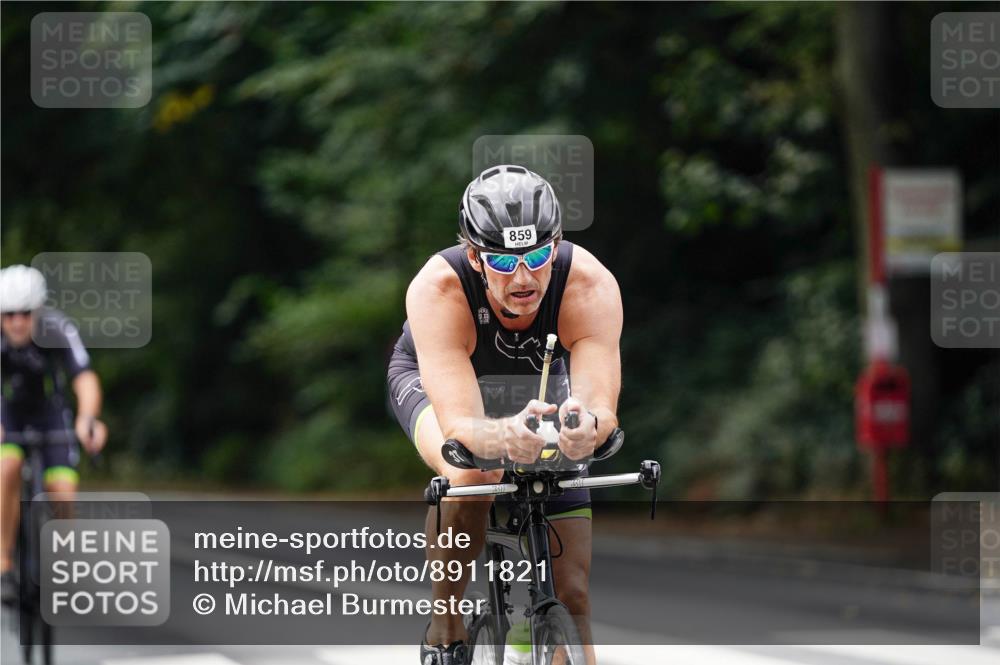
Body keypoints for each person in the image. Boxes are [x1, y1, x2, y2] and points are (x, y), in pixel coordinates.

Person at [387, 165, 622, 665]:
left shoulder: (589, 285)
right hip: (439, 382)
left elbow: (601, 408)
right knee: (473, 469)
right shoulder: (438, 289)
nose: (523, 278)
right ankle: (446, 619)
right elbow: (461, 428)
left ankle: (536, 628)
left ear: (556, 247)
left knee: (573, 595)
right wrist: (501, 437)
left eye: (538, 257)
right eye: (503, 261)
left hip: (536, 381)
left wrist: (587, 430)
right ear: (474, 257)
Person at [0, 265, 108, 604]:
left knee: (62, 488)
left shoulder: (58, 328)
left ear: (39, 311)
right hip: (9, 413)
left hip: (51, 413)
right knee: (7, 468)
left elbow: (84, 378)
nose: (17, 322)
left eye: (25, 314)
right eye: (9, 314)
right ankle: (3, 562)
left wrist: (88, 418)